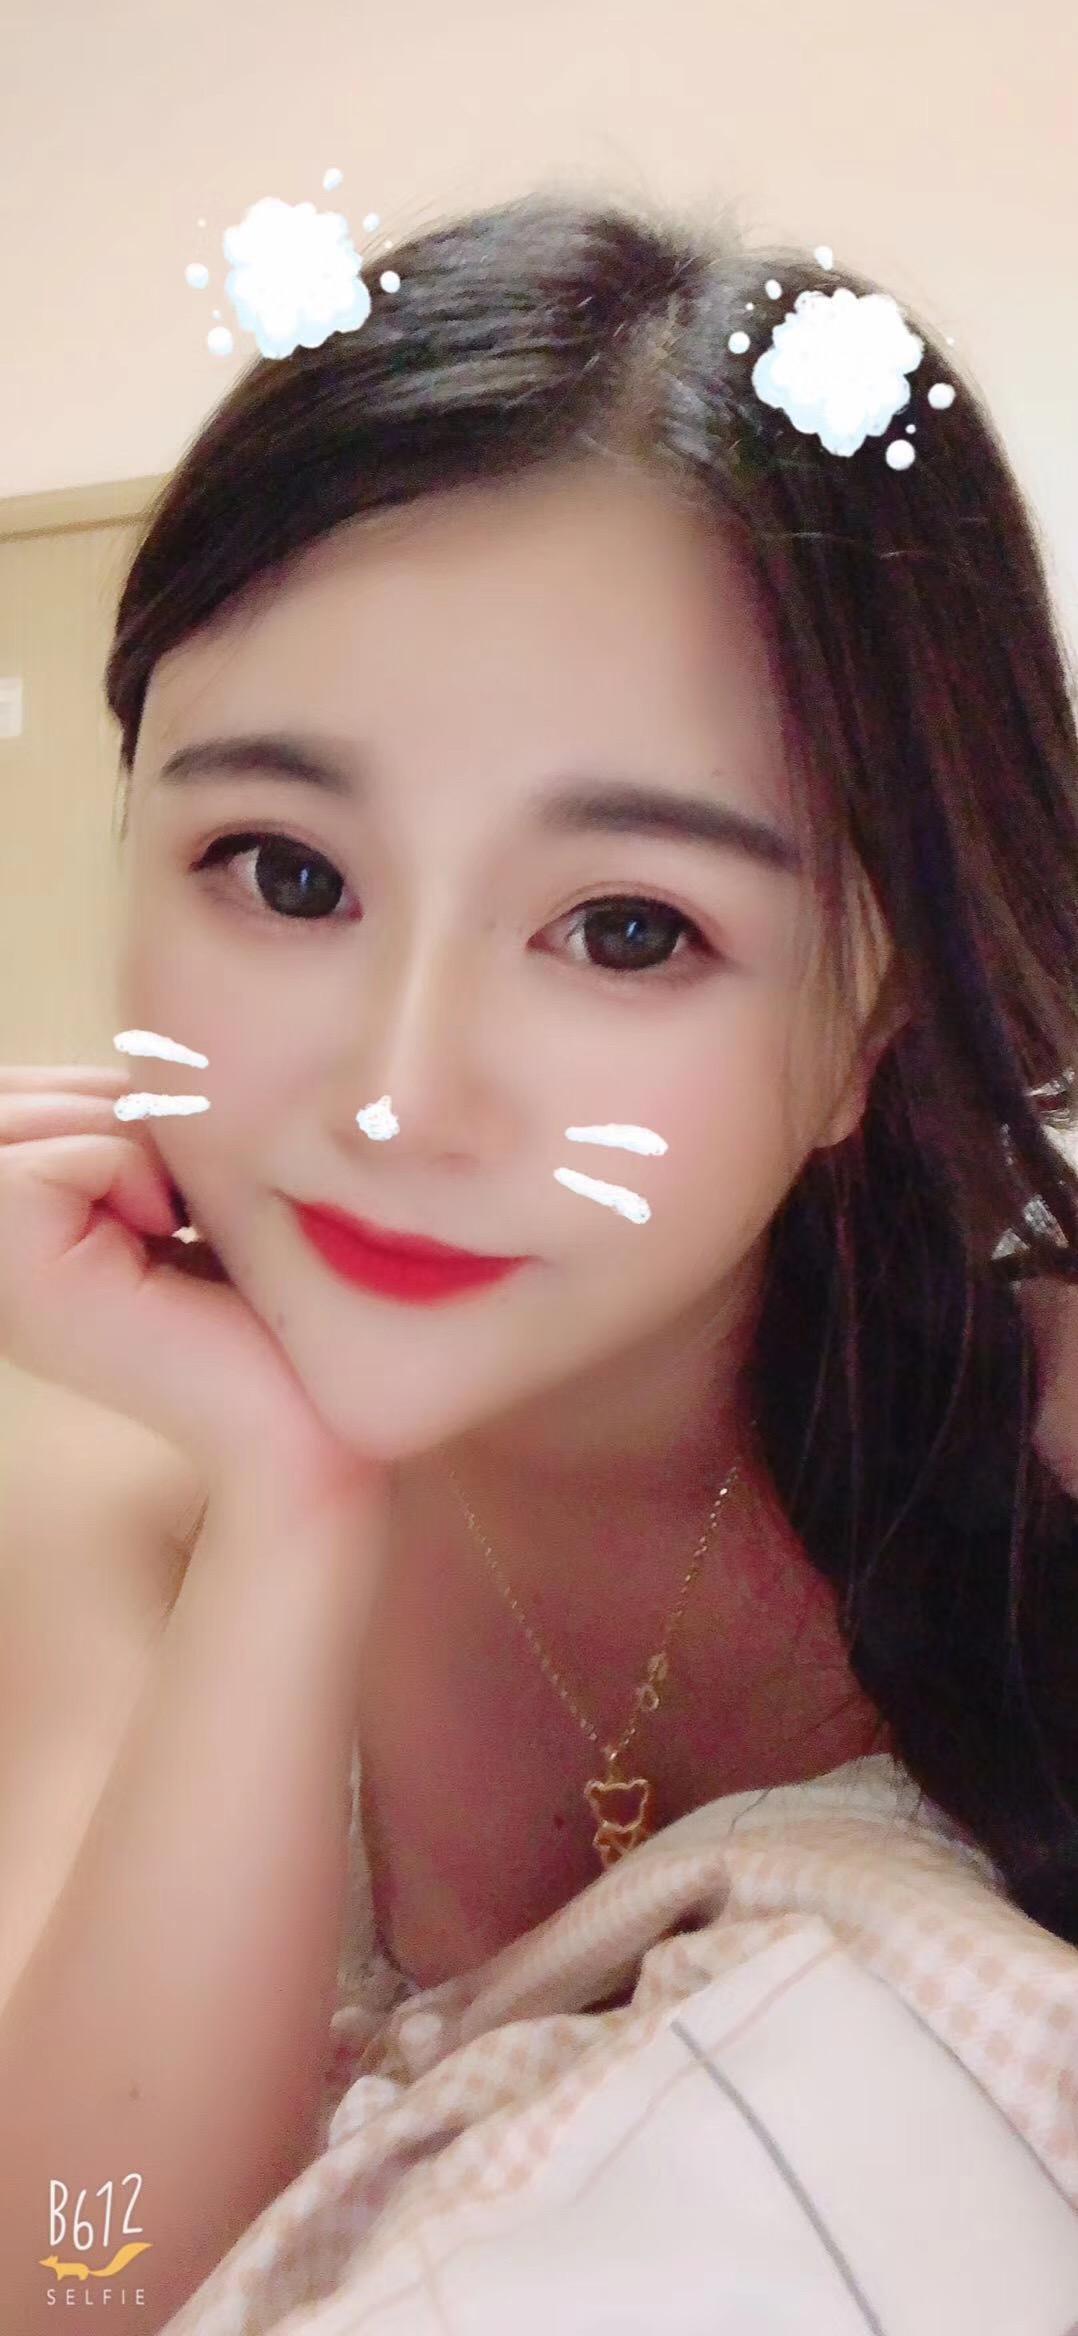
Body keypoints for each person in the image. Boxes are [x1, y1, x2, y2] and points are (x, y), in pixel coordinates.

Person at [3, 188, 1078, 2332]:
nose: (397, 1099)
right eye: (281, 871)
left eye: (625, 928)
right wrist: (288, 1508)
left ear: (870, 1016)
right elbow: (76, 2271)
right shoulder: (89, 1500)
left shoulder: (1041, 1430)